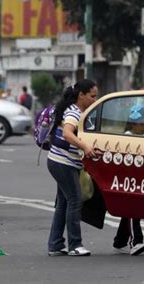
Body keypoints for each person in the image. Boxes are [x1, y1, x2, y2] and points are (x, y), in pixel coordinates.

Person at [47, 79, 99, 257]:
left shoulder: (80, 111)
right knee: (75, 200)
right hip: (63, 163)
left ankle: (55, 245)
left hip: (62, 162)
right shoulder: (74, 113)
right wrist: (85, 147)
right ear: (81, 95)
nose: (95, 100)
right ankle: (75, 245)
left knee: (63, 203)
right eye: (92, 96)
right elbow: (68, 133)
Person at [113, 104, 144, 256]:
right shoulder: (127, 138)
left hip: (139, 181)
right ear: (133, 123)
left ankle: (120, 241)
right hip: (127, 181)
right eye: (142, 123)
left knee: (130, 212)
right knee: (132, 210)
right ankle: (136, 242)